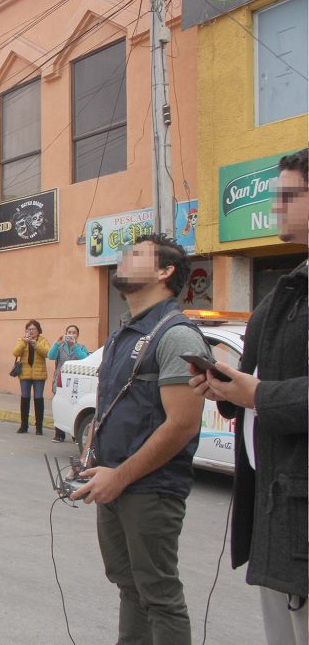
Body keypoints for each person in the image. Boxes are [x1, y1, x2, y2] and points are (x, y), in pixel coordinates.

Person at [190, 148, 308, 645]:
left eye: (288, 195)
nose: (275, 205)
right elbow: (258, 379)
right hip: (278, 513)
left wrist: (257, 393)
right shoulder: (286, 290)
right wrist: (228, 388)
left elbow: (266, 389)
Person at [71, 233, 210, 644]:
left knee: (159, 594)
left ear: (165, 271)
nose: (122, 259)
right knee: (129, 586)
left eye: (136, 255)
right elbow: (116, 405)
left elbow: (183, 424)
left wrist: (121, 476)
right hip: (113, 483)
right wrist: (91, 451)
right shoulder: (124, 334)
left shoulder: (176, 335)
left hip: (149, 489)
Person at [48, 324, 90, 442]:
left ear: (77, 335)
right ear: (65, 334)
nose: (71, 334)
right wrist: (57, 343)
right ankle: (59, 434)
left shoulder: (81, 347)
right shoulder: (60, 347)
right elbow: (50, 356)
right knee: (59, 406)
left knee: (74, 408)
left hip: (75, 384)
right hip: (60, 382)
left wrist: (75, 346)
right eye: (69, 332)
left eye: (74, 332)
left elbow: (85, 359)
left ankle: (75, 435)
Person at [11, 320, 50, 434]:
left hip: (39, 374)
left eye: (33, 329)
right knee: (25, 398)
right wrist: (24, 342)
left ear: (38, 331)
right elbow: (15, 353)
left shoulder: (43, 340)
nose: (31, 331)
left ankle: (39, 427)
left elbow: (47, 353)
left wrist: (35, 344)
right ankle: (24, 425)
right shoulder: (22, 340)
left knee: (38, 398)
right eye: (29, 329)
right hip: (25, 373)